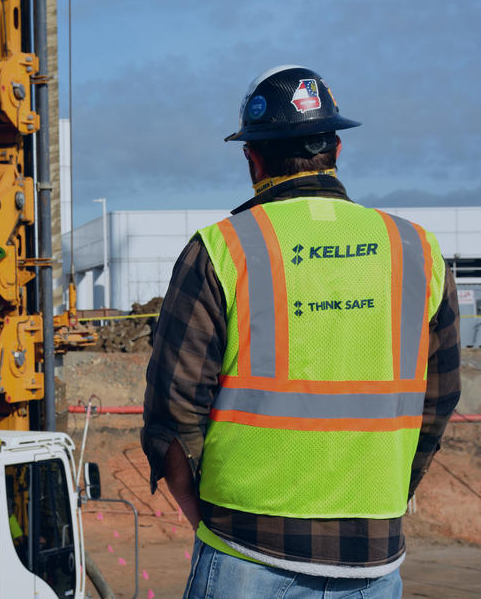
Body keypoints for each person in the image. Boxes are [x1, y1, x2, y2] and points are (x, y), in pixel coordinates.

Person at [140, 65, 461, 597]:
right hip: (373, 561)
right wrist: (386, 496)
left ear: (253, 159)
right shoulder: (418, 252)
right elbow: (441, 398)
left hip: (244, 550)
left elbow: (172, 415)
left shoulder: (221, 249)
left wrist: (207, 522)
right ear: (336, 150)